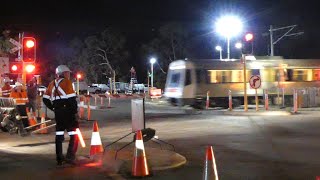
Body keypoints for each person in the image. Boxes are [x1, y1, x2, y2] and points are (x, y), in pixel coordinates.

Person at [42, 65, 79, 166]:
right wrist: (75, 112)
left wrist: (53, 108)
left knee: (59, 135)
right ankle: (70, 157)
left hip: (58, 113)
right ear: (64, 73)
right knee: (74, 134)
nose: (69, 75)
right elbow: (72, 99)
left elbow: (45, 99)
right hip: (68, 112)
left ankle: (59, 158)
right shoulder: (67, 82)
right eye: (68, 73)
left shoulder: (51, 84)